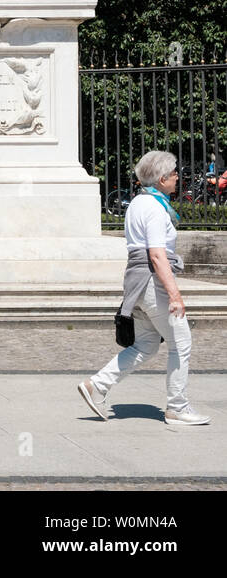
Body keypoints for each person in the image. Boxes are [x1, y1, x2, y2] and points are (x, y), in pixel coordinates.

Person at [79, 151, 210, 426]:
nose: (177, 177)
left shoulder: (138, 203)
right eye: (174, 173)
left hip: (137, 282)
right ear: (162, 179)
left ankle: (97, 385)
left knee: (146, 345)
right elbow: (157, 255)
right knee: (181, 341)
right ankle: (177, 407)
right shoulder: (153, 207)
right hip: (151, 281)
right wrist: (174, 294)